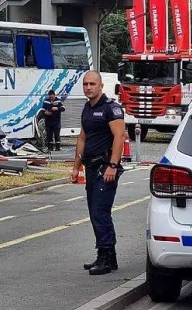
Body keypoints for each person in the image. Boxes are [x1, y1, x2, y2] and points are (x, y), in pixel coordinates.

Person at [70, 70, 126, 276]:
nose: (88, 87)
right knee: (96, 213)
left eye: (92, 84)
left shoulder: (111, 108)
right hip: (91, 167)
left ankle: (105, 257)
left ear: (101, 86)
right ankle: (108, 257)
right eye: (85, 84)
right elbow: (82, 139)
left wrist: (112, 165)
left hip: (105, 167)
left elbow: (119, 136)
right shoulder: (87, 108)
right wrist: (76, 167)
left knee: (99, 212)